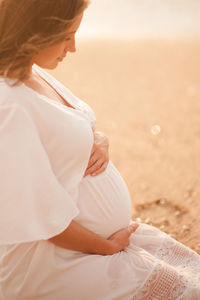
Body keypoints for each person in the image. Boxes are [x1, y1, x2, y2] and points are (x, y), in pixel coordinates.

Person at [0, 0, 199, 299]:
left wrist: (98, 138)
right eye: (67, 36)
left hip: (94, 242)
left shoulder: (32, 72)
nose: (74, 47)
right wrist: (105, 247)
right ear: (35, 31)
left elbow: (63, 129)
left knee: (192, 275)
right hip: (53, 258)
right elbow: (40, 215)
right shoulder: (8, 102)